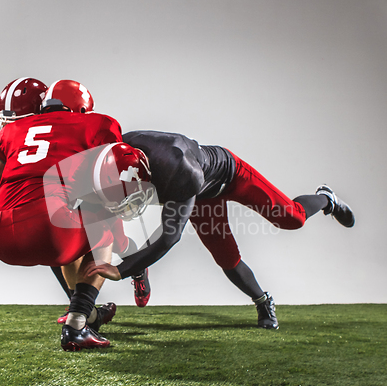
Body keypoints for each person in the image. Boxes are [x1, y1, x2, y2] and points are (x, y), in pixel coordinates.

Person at [84, 130, 355, 330]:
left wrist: (120, 270)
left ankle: (326, 198)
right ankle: (261, 299)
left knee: (291, 218)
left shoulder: (181, 171)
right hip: (195, 191)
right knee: (226, 257)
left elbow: (170, 236)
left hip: (228, 177)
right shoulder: (117, 155)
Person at [0, 78, 126, 350]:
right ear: (82, 109)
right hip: (48, 231)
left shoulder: (16, 128)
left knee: (69, 226)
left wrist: (19, 206)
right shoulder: (98, 123)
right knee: (103, 220)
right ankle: (77, 325)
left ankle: (86, 313)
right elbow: (111, 180)